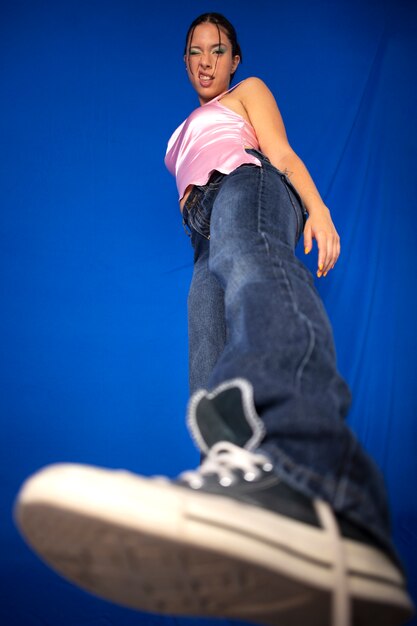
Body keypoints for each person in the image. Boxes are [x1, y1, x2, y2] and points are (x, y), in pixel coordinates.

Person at [15, 12, 413, 626]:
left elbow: (278, 152)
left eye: (217, 50)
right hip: (205, 235)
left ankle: (315, 475)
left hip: (249, 188)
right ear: (186, 62)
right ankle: (243, 494)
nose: (206, 61)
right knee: (207, 351)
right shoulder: (176, 138)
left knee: (253, 265)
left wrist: (318, 210)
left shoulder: (245, 93)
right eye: (195, 52)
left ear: (233, 59)